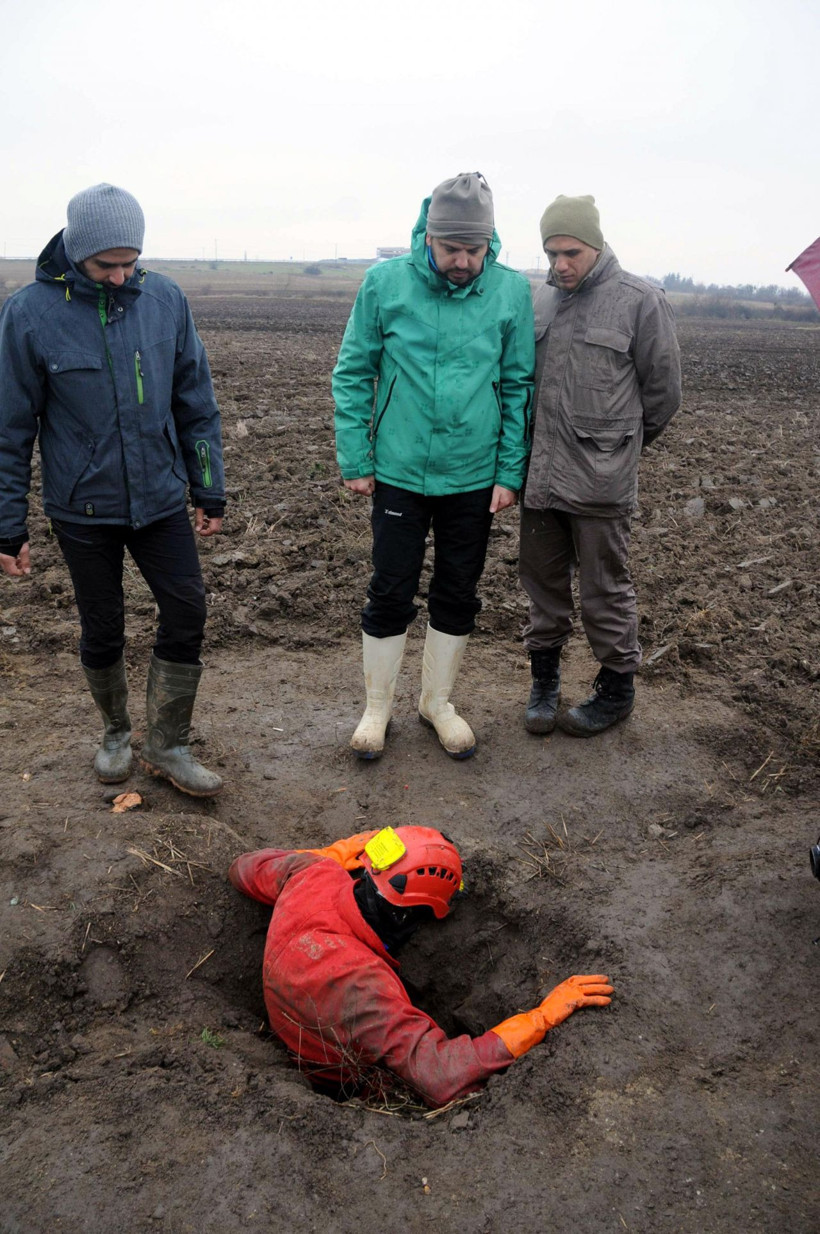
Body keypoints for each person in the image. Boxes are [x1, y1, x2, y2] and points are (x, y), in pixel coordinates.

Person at [0, 183, 226, 796]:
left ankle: (168, 742)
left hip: (159, 499)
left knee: (187, 608)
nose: (122, 276)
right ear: (76, 251)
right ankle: (116, 733)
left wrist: (209, 489)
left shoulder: (165, 300)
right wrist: (7, 524)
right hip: (81, 508)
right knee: (102, 625)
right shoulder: (29, 316)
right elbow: (10, 430)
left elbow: (195, 402)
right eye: (107, 265)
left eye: (131, 262)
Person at [333, 172, 534, 760]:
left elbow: (519, 383)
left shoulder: (509, 292)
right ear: (429, 236)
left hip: (473, 475)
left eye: (474, 250)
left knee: (457, 590)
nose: (463, 261)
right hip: (397, 470)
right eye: (452, 249)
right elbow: (352, 372)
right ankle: (377, 707)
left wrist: (509, 471)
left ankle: (436, 703)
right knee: (390, 588)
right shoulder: (384, 284)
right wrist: (356, 456)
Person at [228, 825, 613, 1108]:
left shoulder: (312, 874)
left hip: (292, 1015)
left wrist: (331, 853)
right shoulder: (364, 985)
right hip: (340, 1081)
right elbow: (441, 1077)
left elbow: (244, 867)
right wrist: (541, 1019)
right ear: (406, 919)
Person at [520, 195, 681, 737]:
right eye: (551, 253)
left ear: (596, 246)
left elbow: (662, 396)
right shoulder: (539, 301)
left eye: (571, 252)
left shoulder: (639, 300)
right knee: (541, 585)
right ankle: (544, 683)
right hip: (540, 480)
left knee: (604, 589)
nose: (560, 264)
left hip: (601, 483)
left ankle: (616, 691)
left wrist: (618, 450)